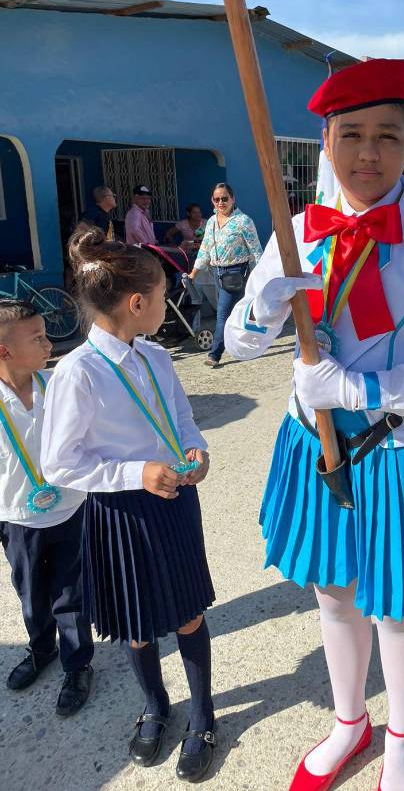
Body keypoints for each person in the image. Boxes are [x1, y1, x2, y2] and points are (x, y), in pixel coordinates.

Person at [226, 57, 404, 791]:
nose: (368, 153)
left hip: (397, 445)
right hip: (311, 442)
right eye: (350, 135)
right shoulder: (295, 231)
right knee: (333, 593)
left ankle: (403, 737)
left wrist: (361, 387)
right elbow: (237, 343)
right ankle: (350, 722)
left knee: (396, 605)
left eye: (386, 136)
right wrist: (261, 310)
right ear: (326, 143)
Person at [41, 227, 215, 782]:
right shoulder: (78, 372)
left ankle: (203, 712)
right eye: (163, 296)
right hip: (120, 515)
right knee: (138, 623)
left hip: (174, 502)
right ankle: (156, 705)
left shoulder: (157, 357)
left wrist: (196, 448)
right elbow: (60, 464)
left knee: (188, 611)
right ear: (137, 304)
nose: (167, 304)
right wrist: (134, 472)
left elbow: (181, 417)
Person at [0, 301, 94, 716]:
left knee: (71, 593)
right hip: (17, 518)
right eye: (37, 338)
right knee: (31, 593)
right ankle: (42, 649)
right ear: (4, 351)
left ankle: (77, 663)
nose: (48, 343)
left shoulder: (56, 387)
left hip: (69, 509)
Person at [188, 183, 262, 368]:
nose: (220, 202)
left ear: (233, 199)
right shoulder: (212, 221)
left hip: (235, 273)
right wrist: (194, 273)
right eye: (216, 199)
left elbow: (256, 250)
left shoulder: (243, 221)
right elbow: (205, 248)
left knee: (222, 314)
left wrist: (261, 275)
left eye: (224, 198)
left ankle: (214, 354)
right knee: (234, 312)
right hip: (216, 272)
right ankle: (246, 343)